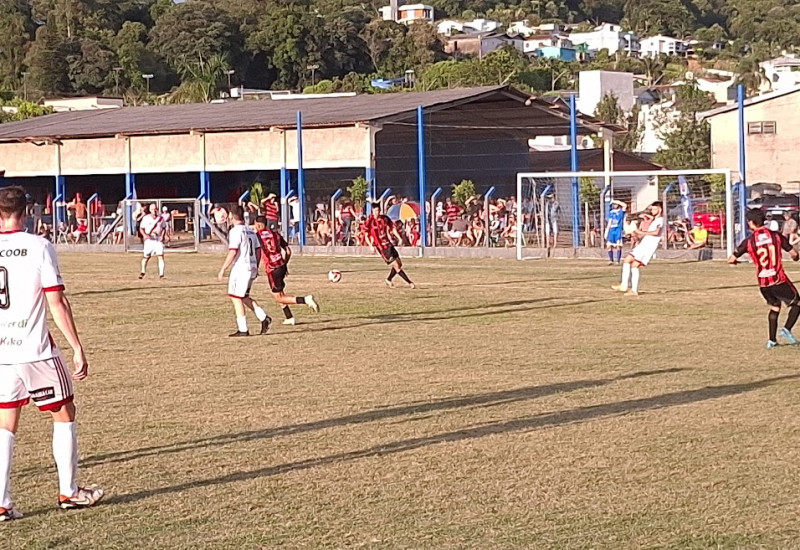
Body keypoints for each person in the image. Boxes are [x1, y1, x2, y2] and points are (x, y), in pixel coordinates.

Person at [0, 186, 104, 521]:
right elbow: (56, 301)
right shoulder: (39, 246)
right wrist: (76, 347)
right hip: (35, 350)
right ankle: (70, 492)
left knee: (5, 422)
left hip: (2, 351)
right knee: (64, 413)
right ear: (27, 212)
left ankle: (2, 502)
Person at [729, 208, 800, 348]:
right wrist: (795, 258)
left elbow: (731, 259)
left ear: (750, 223)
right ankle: (786, 329)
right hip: (778, 279)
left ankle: (772, 341)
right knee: (797, 303)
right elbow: (794, 253)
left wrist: (736, 261)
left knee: (775, 307)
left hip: (763, 283)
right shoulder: (776, 236)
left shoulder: (748, 241)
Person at [253, 216, 319, 326]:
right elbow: (288, 251)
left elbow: (258, 253)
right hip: (281, 265)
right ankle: (289, 317)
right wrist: (284, 263)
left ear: (258, 224)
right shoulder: (276, 234)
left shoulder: (257, 236)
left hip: (272, 269)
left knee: (278, 297)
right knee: (279, 293)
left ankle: (305, 299)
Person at [217, 207, 271, 337]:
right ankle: (264, 318)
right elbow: (258, 249)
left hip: (241, 268)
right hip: (251, 267)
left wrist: (223, 268)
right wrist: (256, 266)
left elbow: (233, 251)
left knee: (235, 297)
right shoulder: (250, 230)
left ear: (231, 216)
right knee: (243, 296)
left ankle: (243, 329)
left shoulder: (236, 231)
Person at [612, 201, 664, 296]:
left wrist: (641, 232)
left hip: (648, 247)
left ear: (660, 209)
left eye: (654, 209)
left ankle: (633, 290)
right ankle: (624, 286)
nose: (652, 210)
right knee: (627, 260)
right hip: (644, 244)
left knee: (634, 265)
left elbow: (656, 232)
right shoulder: (655, 220)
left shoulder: (661, 220)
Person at [364, 203, 415, 289]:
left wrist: (399, 238)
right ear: (372, 211)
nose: (377, 212)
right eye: (375, 211)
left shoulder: (385, 218)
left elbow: (392, 228)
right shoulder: (370, 221)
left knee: (399, 263)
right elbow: (366, 234)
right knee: (396, 265)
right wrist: (370, 246)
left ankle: (388, 279)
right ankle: (410, 283)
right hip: (381, 248)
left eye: (378, 210)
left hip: (388, 244)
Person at [138, 203, 166, 280]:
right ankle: (143, 271)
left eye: (155, 209)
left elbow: (164, 228)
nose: (154, 210)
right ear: (150, 210)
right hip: (149, 240)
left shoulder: (161, 218)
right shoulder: (146, 218)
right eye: (152, 209)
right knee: (146, 257)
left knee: (160, 256)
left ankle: (161, 275)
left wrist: (162, 236)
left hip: (157, 240)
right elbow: (141, 228)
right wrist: (144, 235)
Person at [605, 199, 627, 265]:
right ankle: (611, 260)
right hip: (612, 230)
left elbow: (625, 206)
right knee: (609, 245)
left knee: (618, 245)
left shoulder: (621, 211)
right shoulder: (611, 212)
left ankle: (618, 260)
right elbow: (610, 222)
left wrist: (617, 201)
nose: (615, 205)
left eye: (616, 204)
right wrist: (607, 230)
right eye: (613, 204)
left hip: (618, 230)